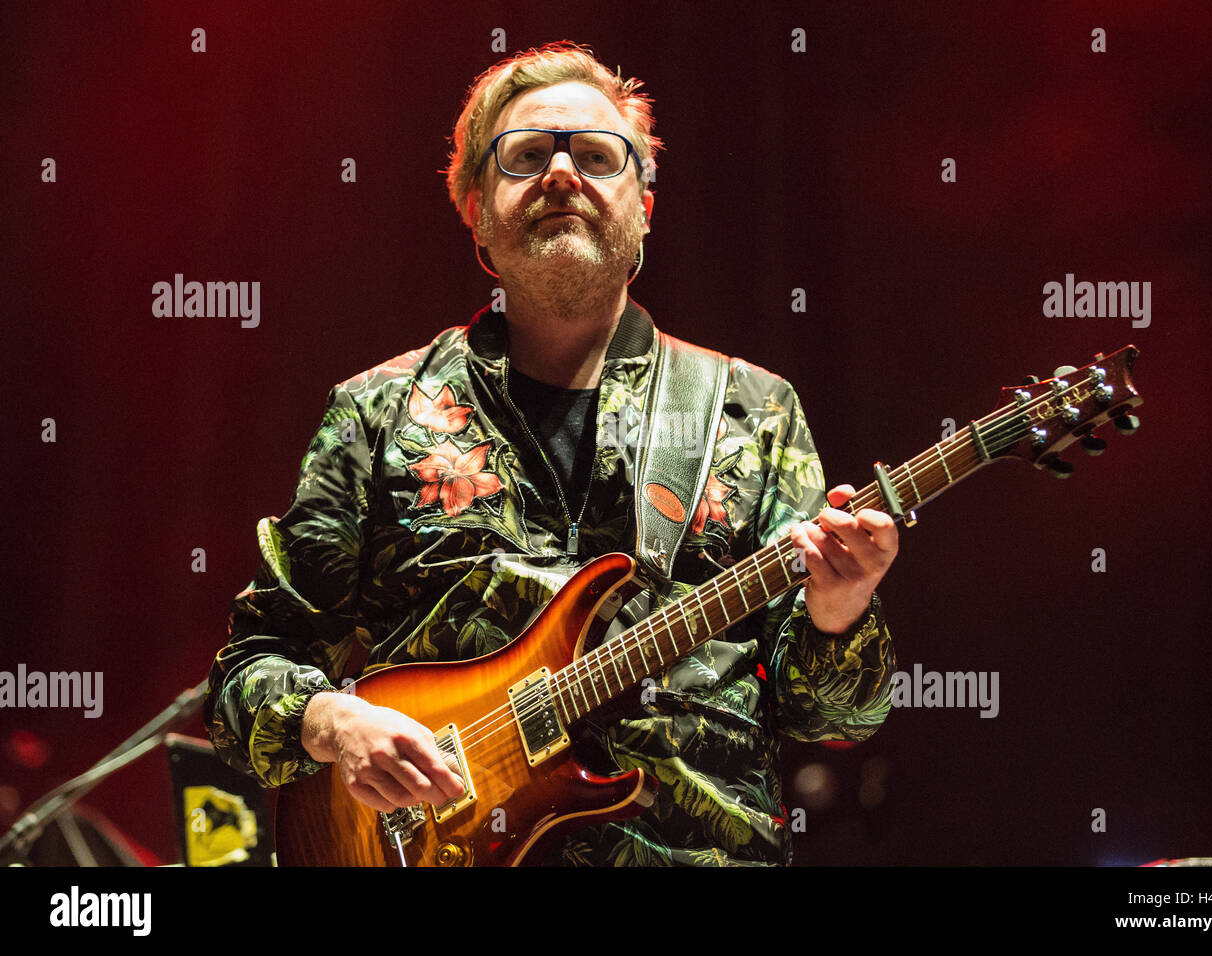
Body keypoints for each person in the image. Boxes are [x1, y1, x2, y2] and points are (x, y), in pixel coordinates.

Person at [203, 41, 899, 866]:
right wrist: (332, 721)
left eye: (598, 156)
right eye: (527, 155)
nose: (562, 173)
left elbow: (836, 718)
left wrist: (840, 611)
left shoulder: (752, 409)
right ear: (475, 206)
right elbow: (246, 676)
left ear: (644, 202)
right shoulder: (377, 412)